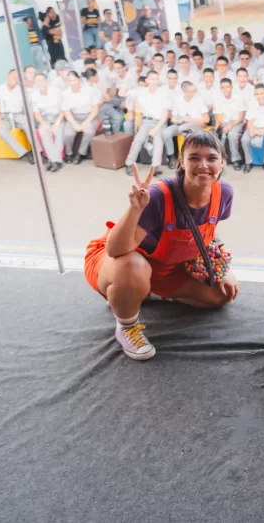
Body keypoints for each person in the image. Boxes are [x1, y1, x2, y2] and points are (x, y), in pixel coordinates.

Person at [84, 131, 238, 360]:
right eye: (194, 157)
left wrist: (217, 269)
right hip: (117, 262)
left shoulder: (223, 192)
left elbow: (207, 233)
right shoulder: (159, 195)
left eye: (212, 158)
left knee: (220, 294)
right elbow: (115, 251)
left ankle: (139, 293)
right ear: (182, 162)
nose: (203, 165)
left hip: (166, 268)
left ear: (222, 162)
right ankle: (127, 325)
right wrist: (135, 209)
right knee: (132, 268)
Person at [124, 70, 169, 176]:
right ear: (147, 80)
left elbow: (165, 115)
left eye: (156, 79)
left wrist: (156, 129)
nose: (154, 81)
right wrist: (126, 79)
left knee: (158, 140)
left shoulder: (163, 93)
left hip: (160, 123)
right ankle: (129, 164)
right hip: (146, 121)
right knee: (138, 139)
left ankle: (155, 166)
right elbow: (122, 93)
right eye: (152, 79)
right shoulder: (140, 91)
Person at [0, 69, 35, 163]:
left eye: (17, 77)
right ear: (8, 75)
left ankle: (36, 151)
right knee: (1, 131)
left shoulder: (22, 90)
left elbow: (28, 105)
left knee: (29, 126)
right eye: (12, 76)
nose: (14, 78)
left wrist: (27, 116)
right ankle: (24, 153)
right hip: (4, 117)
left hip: (18, 115)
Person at [60, 70, 101, 165]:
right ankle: (69, 153)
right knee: (67, 134)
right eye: (69, 81)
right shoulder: (65, 93)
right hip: (74, 117)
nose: (72, 83)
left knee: (89, 132)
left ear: (79, 79)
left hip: (89, 116)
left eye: (73, 80)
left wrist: (86, 122)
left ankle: (80, 153)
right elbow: (67, 111)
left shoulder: (89, 90)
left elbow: (95, 109)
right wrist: (74, 124)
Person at [29, 73, 64, 172]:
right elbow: (36, 113)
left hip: (58, 118)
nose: (40, 83)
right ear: (35, 83)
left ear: (46, 81)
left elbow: (63, 109)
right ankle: (56, 161)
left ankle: (54, 161)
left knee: (58, 133)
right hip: (44, 119)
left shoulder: (56, 92)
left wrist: (56, 123)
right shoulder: (33, 95)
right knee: (44, 133)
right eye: (38, 81)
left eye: (42, 80)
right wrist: (44, 124)